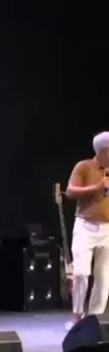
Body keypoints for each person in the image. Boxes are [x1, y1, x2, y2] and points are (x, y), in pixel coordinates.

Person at [66, 132, 109, 320]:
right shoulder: (84, 166)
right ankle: (77, 316)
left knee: (104, 279)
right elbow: (70, 191)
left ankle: (95, 320)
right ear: (104, 150)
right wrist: (96, 188)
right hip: (86, 226)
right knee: (81, 274)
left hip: (107, 229)